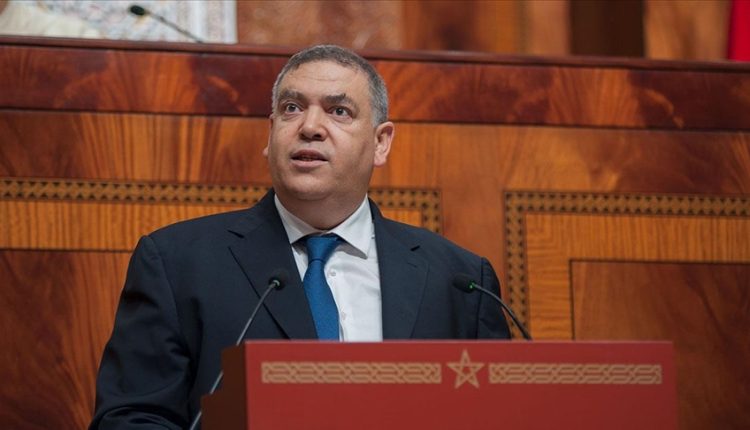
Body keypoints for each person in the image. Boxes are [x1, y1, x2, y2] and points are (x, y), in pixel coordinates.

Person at [90, 44, 510, 429]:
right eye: (292, 109)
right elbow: (131, 419)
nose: (310, 127)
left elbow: (501, 416)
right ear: (270, 134)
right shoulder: (177, 263)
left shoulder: (460, 281)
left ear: (381, 143)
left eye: (339, 111)